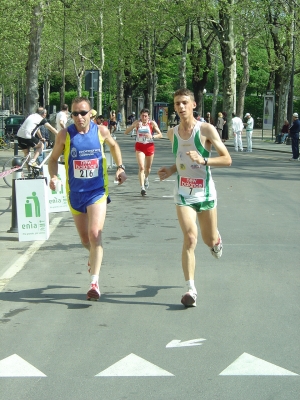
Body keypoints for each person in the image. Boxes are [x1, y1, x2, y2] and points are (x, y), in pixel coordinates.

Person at [157, 88, 232, 308]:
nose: (180, 107)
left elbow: (227, 159)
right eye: (177, 103)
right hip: (183, 194)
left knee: (208, 240)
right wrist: (171, 170)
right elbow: (182, 161)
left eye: (184, 103)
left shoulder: (206, 129)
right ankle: (191, 289)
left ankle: (216, 240)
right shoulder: (172, 133)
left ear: (193, 105)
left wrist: (204, 160)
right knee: (190, 238)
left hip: (206, 193)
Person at [48, 97, 127, 301]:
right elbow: (53, 159)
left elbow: (114, 146)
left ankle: (94, 282)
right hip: (75, 194)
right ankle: (93, 256)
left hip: (97, 191)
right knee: (85, 240)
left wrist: (120, 167)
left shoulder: (100, 130)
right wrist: (54, 176)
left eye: (83, 113)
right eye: (75, 113)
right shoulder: (65, 135)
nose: (79, 117)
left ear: (91, 113)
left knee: (94, 234)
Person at [124, 108, 162, 196]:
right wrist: (133, 126)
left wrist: (152, 136)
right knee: (141, 167)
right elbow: (126, 132)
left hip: (149, 146)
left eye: (145, 116)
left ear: (148, 117)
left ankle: (146, 178)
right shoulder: (137, 123)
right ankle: (142, 188)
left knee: (148, 168)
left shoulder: (152, 123)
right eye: (142, 116)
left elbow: (160, 134)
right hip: (139, 146)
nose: (144, 117)